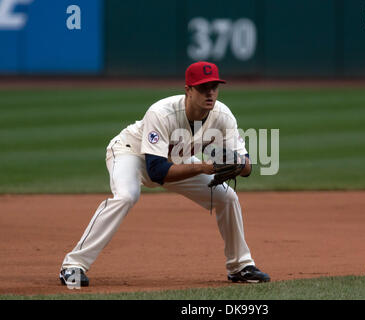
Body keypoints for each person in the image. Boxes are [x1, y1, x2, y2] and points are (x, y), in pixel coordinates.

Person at [59, 61, 270, 287]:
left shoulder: (223, 116)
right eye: (203, 87)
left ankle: (240, 266)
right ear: (188, 90)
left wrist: (238, 163)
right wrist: (203, 167)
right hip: (132, 154)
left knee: (226, 197)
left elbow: (247, 167)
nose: (210, 93)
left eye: (214, 87)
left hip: (176, 160)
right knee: (127, 196)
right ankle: (73, 265)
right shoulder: (162, 112)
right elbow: (157, 172)